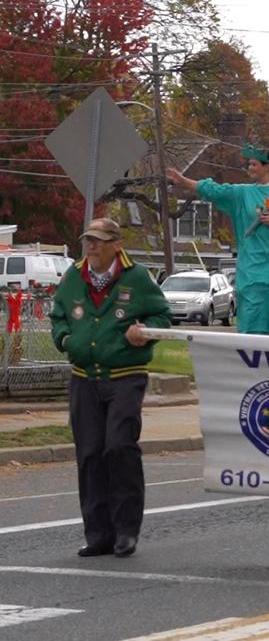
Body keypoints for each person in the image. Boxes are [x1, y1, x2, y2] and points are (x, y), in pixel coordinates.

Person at [49, 218, 171, 558]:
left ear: (117, 244)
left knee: (119, 447)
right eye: (88, 240)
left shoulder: (137, 277)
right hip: (84, 377)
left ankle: (126, 530)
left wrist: (143, 330)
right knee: (89, 453)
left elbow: (163, 316)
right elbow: (58, 315)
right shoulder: (74, 275)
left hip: (125, 375)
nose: (92, 247)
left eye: (100, 241)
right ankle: (98, 534)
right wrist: (65, 338)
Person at [165, 144, 269, 336]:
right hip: (253, 260)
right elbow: (215, 191)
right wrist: (183, 181)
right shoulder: (243, 193)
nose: (249, 168)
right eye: (248, 165)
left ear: (267, 166)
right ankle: (251, 349)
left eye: (253, 164)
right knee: (252, 303)